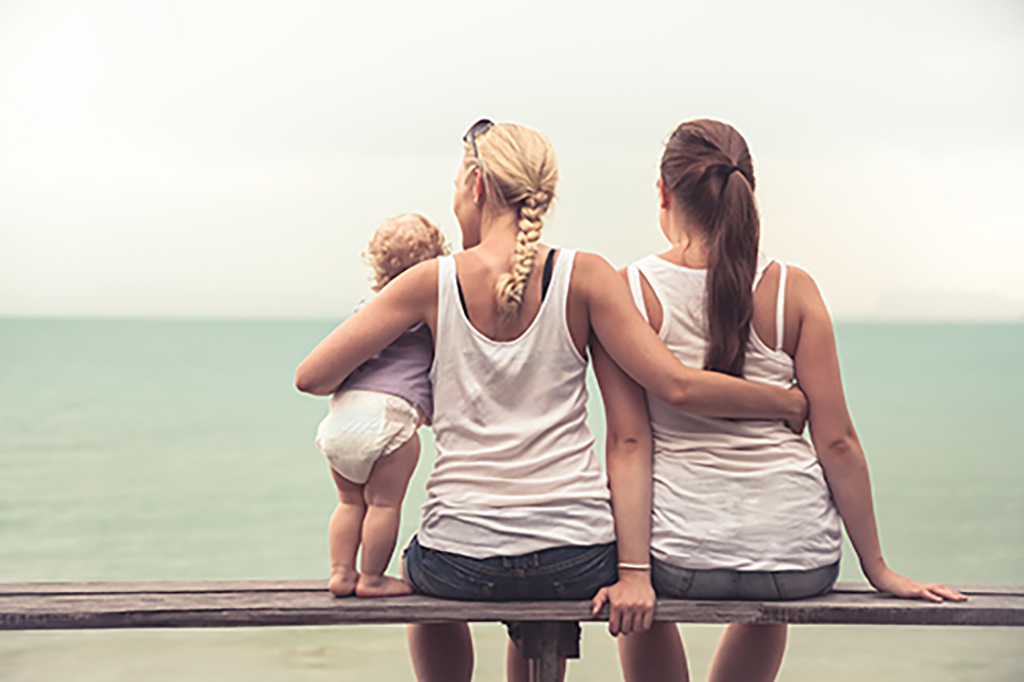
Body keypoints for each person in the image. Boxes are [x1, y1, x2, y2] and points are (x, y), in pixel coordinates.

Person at [295, 120, 808, 682]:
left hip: (461, 557)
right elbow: (636, 430)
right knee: (535, 587)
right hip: (576, 554)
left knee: (417, 568)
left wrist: (399, 386)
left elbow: (312, 377)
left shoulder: (428, 282)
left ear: (476, 186)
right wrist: (781, 402)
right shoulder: (586, 275)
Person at [601, 119, 966, 682]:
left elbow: (630, 442)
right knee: (765, 590)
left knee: (641, 606)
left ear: (664, 191)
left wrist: (635, 572)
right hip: (796, 558)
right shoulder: (793, 289)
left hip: (680, 556)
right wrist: (878, 567)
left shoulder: (628, 291)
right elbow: (838, 442)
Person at [315, 213, 448, 598]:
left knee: (349, 502)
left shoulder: (366, 311)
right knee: (383, 505)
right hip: (389, 418)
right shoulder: (428, 317)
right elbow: (443, 368)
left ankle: (341, 574)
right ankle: (372, 578)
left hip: (341, 421)